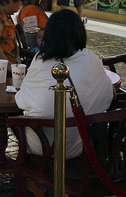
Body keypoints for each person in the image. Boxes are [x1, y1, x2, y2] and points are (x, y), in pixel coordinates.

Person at [15, 9, 115, 158]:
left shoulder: (40, 60)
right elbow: (109, 96)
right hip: (79, 146)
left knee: (15, 117)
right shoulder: (90, 59)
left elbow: (21, 101)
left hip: (40, 146)